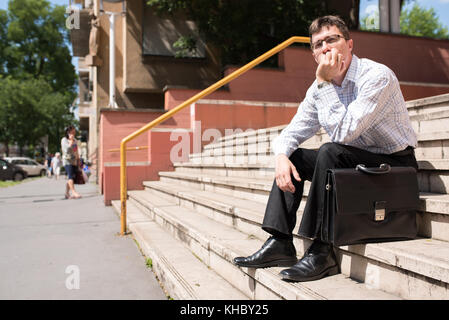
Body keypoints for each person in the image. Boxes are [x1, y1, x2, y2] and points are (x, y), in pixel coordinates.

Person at [233, 15, 418, 282]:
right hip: (353, 162)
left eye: (333, 39)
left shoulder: (377, 76)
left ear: (350, 45)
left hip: (394, 167)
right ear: (314, 54)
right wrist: (282, 156)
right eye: (319, 44)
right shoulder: (318, 88)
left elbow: (345, 133)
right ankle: (280, 242)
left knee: (330, 150)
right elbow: (293, 131)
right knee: (295, 156)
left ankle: (321, 251)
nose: (326, 48)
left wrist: (323, 83)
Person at [61, 126, 82, 199]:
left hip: (74, 161)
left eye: (74, 132)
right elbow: (67, 150)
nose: (74, 133)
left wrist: (78, 160)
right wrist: (71, 141)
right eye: (72, 132)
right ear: (68, 132)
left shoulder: (75, 140)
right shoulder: (64, 140)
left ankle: (67, 193)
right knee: (70, 176)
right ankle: (73, 192)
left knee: (71, 177)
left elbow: (76, 150)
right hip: (67, 161)